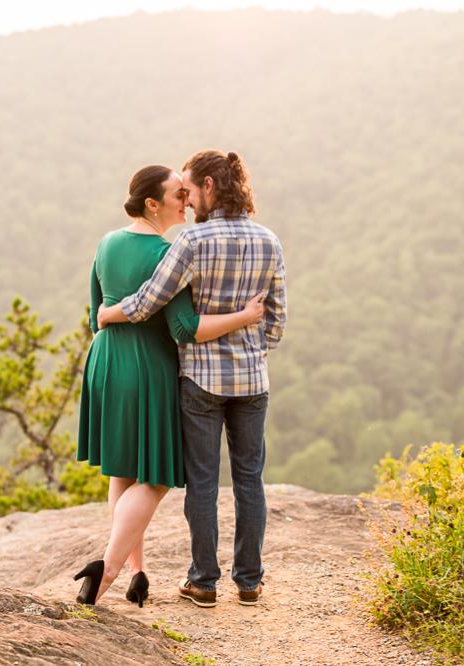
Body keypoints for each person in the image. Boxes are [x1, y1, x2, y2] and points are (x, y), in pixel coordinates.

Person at [98, 150, 286, 608]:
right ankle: (249, 582)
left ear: (209, 186)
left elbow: (148, 302)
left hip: (201, 380)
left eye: (189, 189)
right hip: (252, 381)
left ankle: (203, 582)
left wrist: (107, 313)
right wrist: (250, 339)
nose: (185, 197)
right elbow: (276, 326)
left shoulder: (192, 241)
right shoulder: (269, 241)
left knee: (202, 482)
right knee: (249, 479)